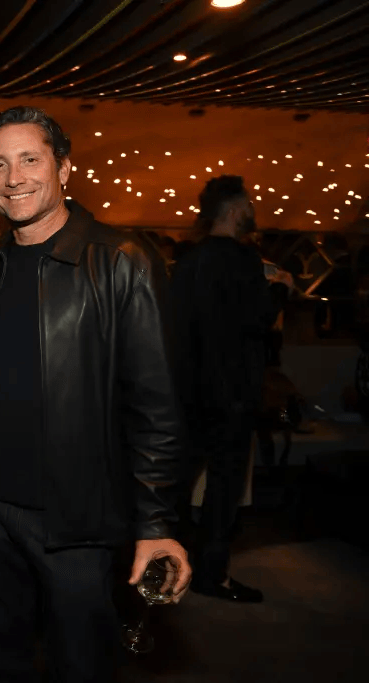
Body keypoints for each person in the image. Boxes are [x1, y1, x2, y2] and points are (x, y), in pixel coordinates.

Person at [0, 106, 191, 683]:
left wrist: (157, 522)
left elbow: (157, 406)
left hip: (76, 523)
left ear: (65, 169)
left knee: (81, 666)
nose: (13, 177)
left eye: (29, 160)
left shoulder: (120, 260)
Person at [171, 175, 291, 602]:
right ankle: (212, 575)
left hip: (188, 396)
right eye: (250, 200)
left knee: (177, 489)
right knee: (223, 494)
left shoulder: (187, 262)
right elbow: (259, 322)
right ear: (236, 209)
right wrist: (279, 291)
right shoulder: (244, 262)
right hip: (233, 397)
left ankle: (170, 567)